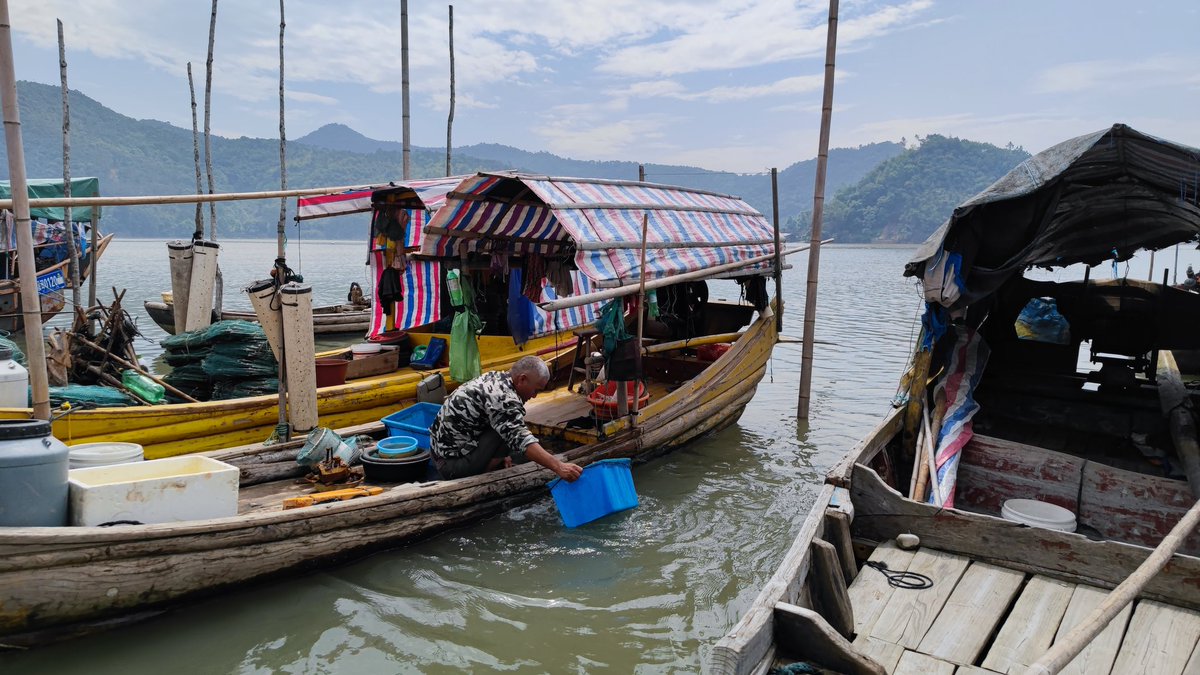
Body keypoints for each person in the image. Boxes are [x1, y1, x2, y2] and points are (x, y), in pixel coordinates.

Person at [429, 355, 583, 482]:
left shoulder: (496, 378)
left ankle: (495, 463)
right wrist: (559, 467)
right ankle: (484, 479)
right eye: (536, 389)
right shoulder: (502, 397)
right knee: (511, 430)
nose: (535, 395)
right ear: (522, 379)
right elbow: (521, 438)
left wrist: (504, 454)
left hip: (442, 454)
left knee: (506, 425)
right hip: (451, 466)